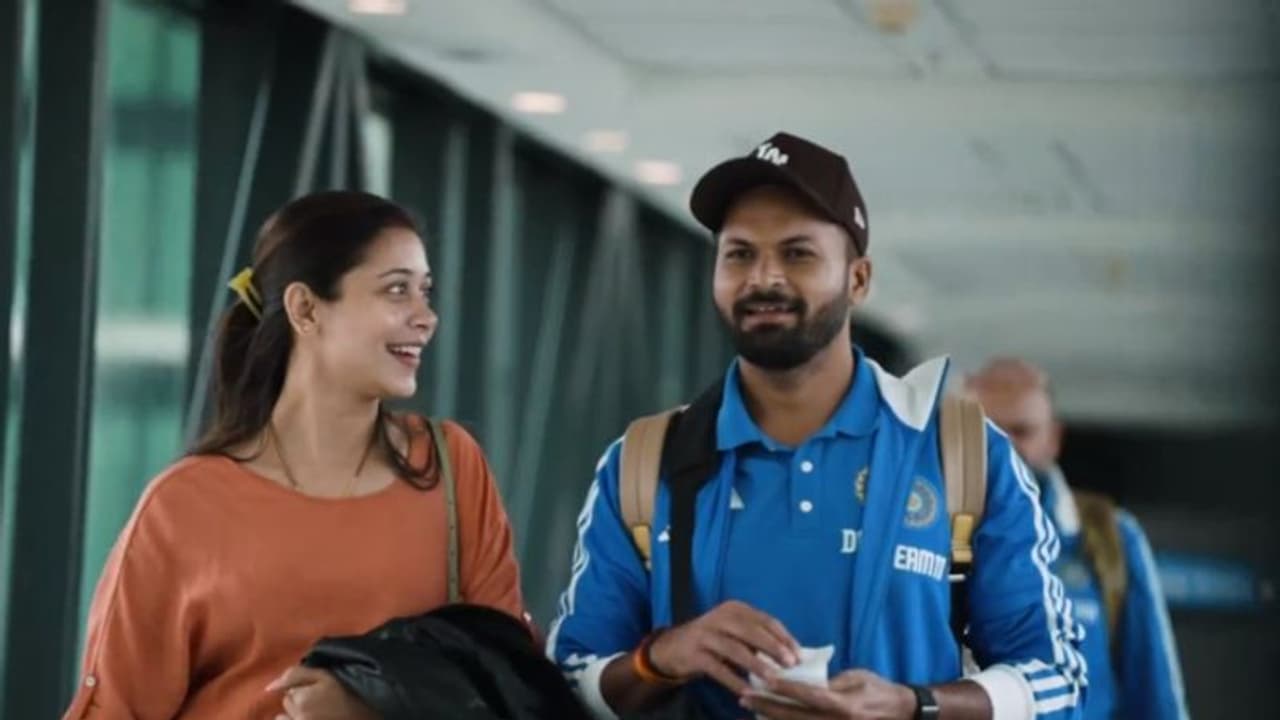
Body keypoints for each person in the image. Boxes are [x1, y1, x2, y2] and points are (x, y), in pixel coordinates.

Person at [546, 132, 1087, 720]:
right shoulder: (644, 462)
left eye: (797, 253)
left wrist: (913, 706)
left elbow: (1056, 677)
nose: (764, 278)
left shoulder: (962, 454)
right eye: (739, 254)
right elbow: (568, 680)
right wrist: (663, 658)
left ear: (858, 280)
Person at [63, 191, 525, 720]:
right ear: (305, 309)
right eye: (397, 290)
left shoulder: (450, 468)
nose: (427, 318)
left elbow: (510, 680)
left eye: (425, 291)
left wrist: (370, 706)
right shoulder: (183, 507)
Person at [966, 358, 1189, 720]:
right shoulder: (925, 532)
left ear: (1053, 439)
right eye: (987, 430)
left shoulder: (1110, 538)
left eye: (1021, 431)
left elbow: (1155, 697)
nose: (1003, 447)